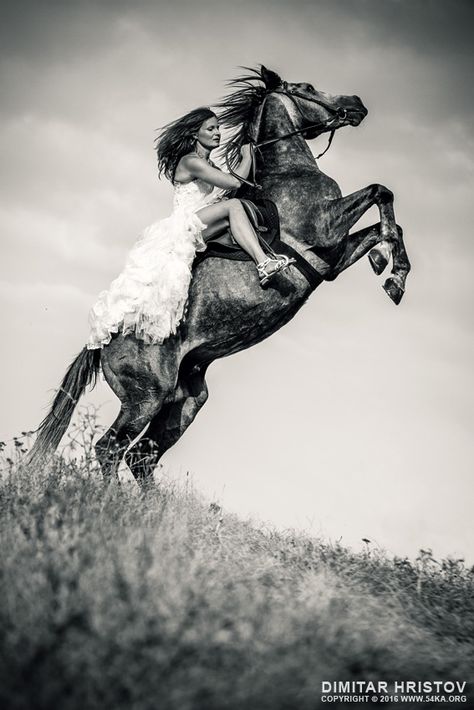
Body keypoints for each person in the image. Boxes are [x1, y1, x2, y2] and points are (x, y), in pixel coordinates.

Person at [87, 107, 292, 349]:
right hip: (186, 224)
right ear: (195, 134)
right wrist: (247, 155)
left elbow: (231, 185)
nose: (218, 133)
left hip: (202, 220)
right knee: (234, 207)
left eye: (218, 128)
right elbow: (235, 182)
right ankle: (264, 263)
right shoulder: (191, 161)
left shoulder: (208, 163)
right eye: (211, 129)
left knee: (234, 211)